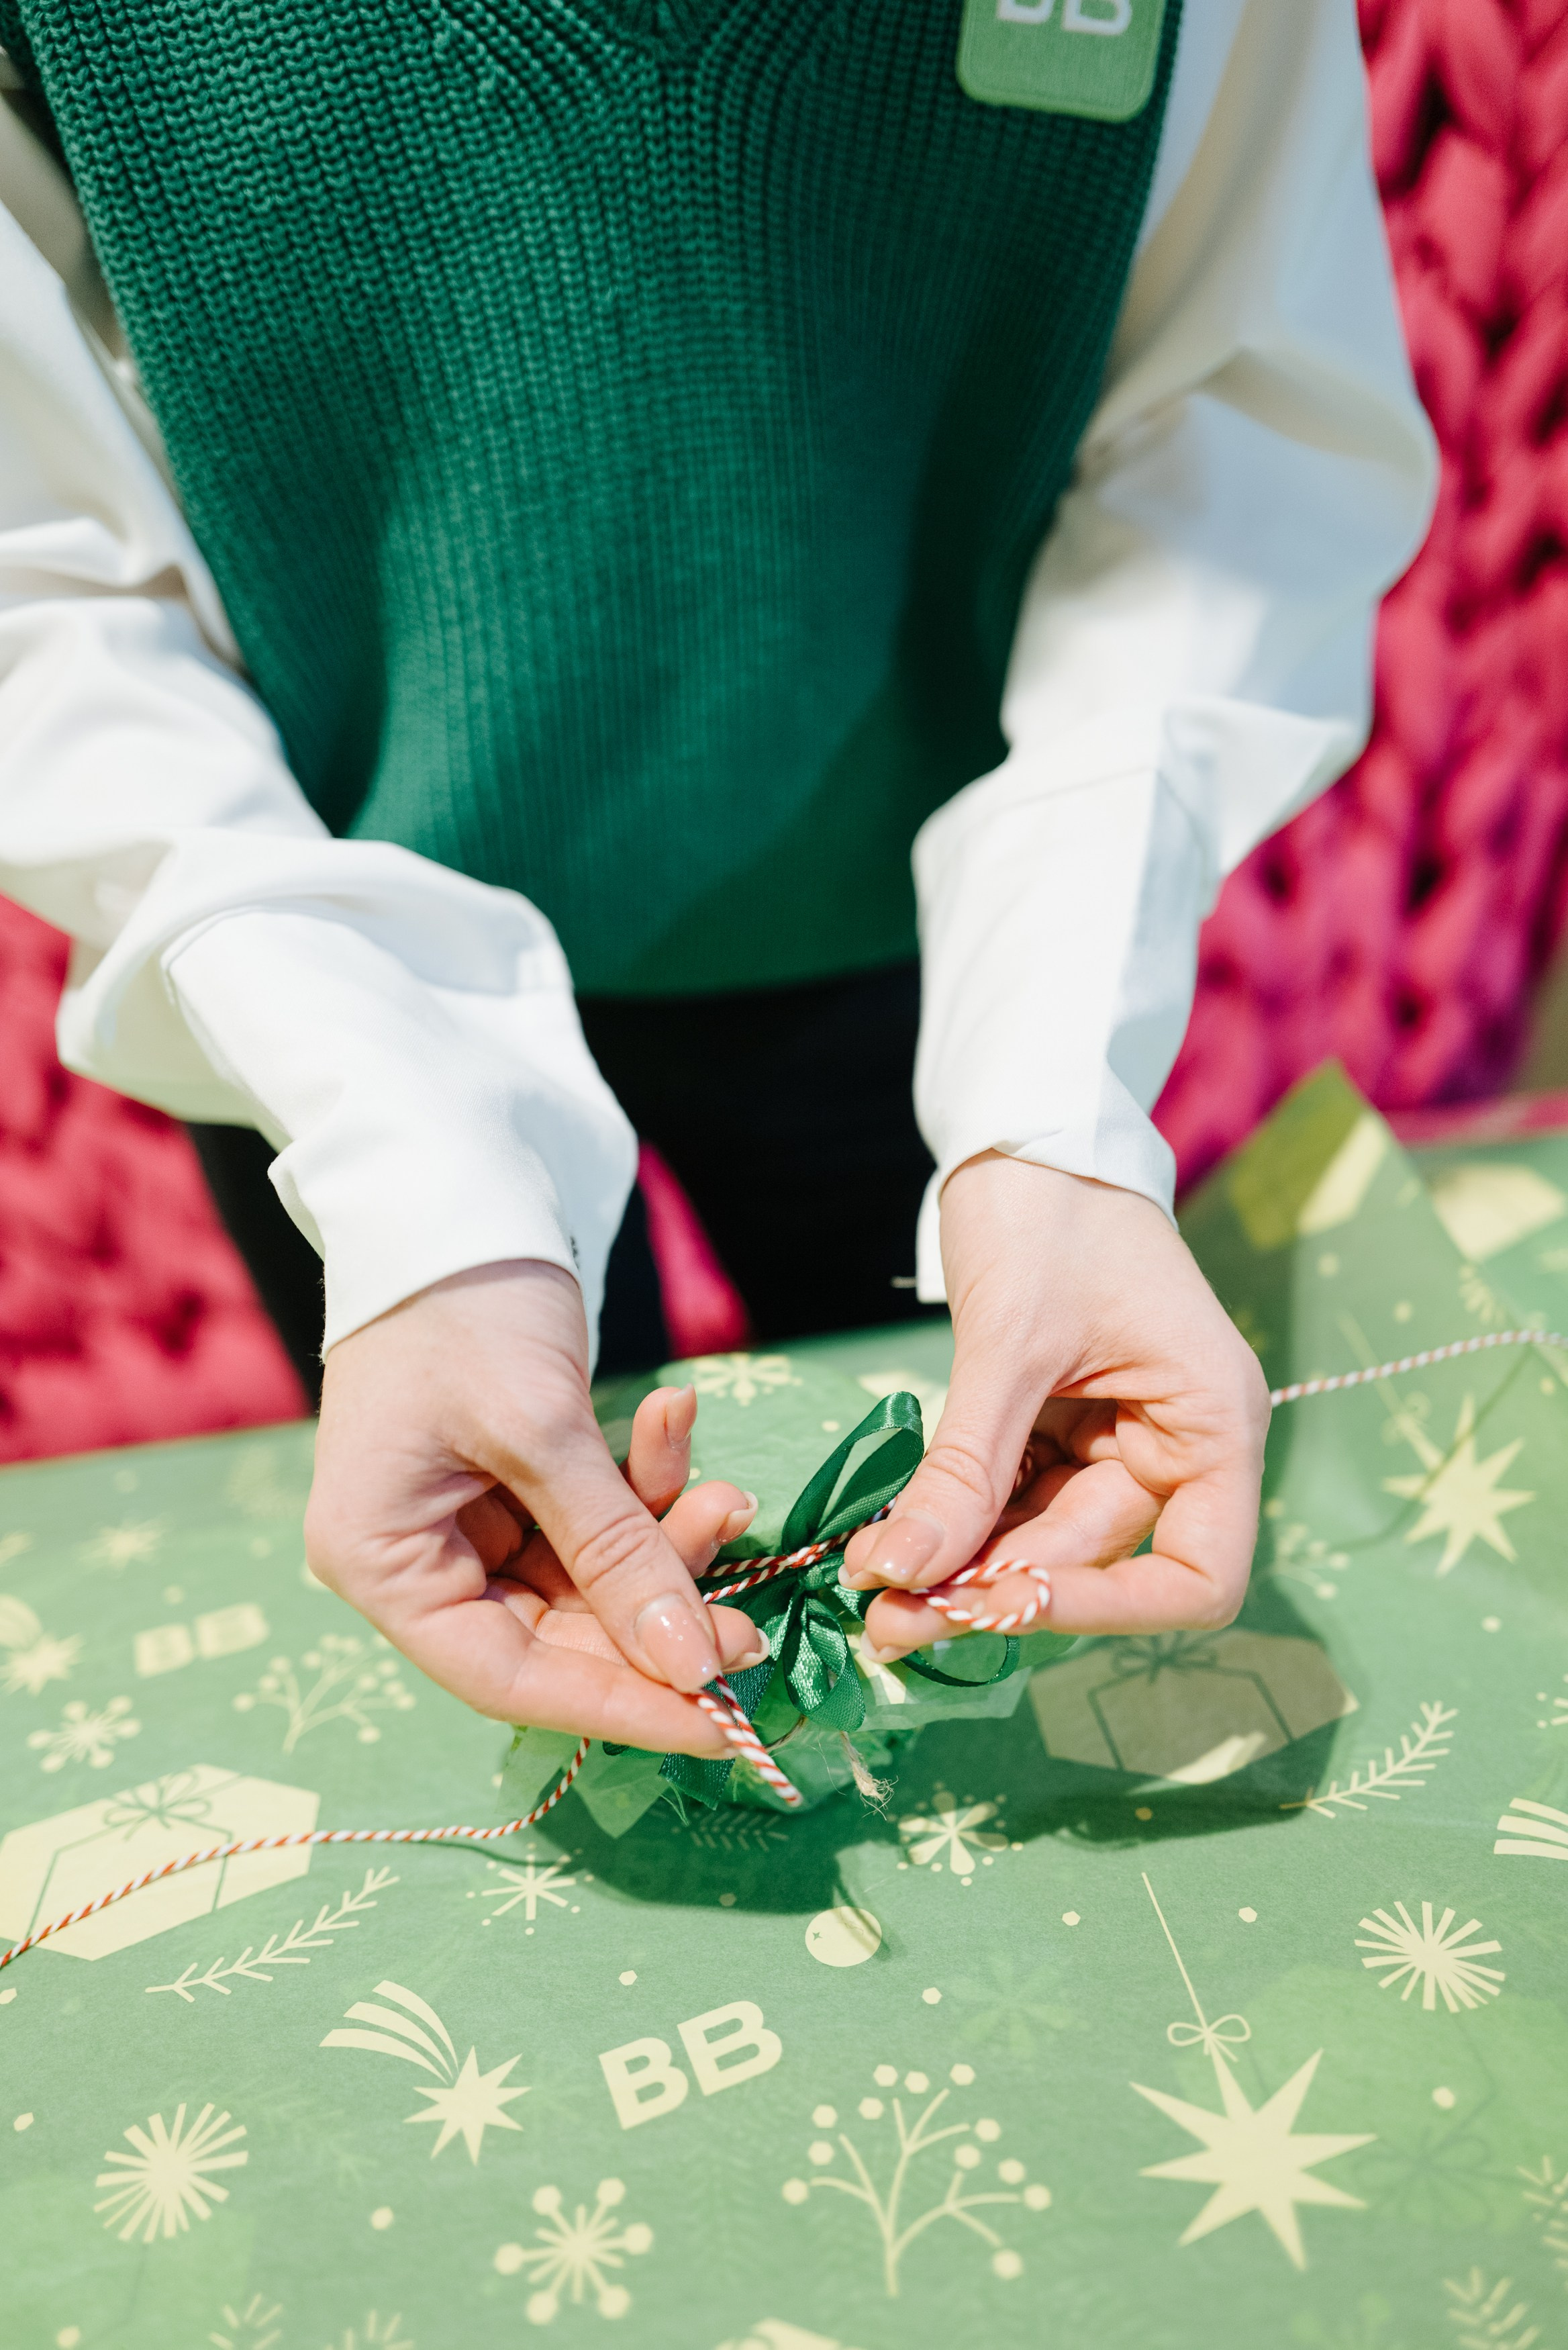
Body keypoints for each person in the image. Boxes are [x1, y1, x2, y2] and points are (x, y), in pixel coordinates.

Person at [0, 1, 1434, 1767]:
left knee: (968, 1513)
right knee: (551, 1610)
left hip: (910, 944)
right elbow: (37, 592)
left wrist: (1049, 1109)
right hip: (323, 975)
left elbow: (1230, 431)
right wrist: (414, 1182)